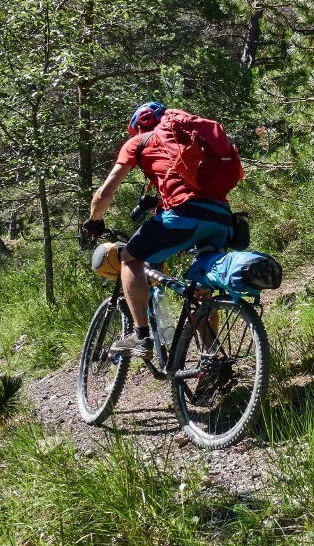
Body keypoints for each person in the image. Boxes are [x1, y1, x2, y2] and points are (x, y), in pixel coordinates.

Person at [80, 102, 234, 356]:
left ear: (137, 126)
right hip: (220, 216)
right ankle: (212, 359)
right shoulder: (186, 137)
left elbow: (105, 193)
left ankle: (141, 336)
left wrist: (95, 219)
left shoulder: (138, 142)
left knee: (131, 257)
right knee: (200, 292)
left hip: (184, 215)